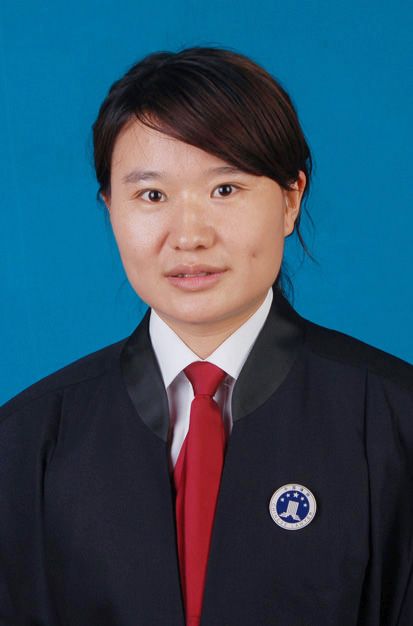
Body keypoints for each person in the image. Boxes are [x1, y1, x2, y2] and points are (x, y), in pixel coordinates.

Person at [1, 45, 412, 626]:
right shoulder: (26, 443)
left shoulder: (395, 423)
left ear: (290, 199)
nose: (190, 235)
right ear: (110, 207)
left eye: (225, 189)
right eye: (152, 195)